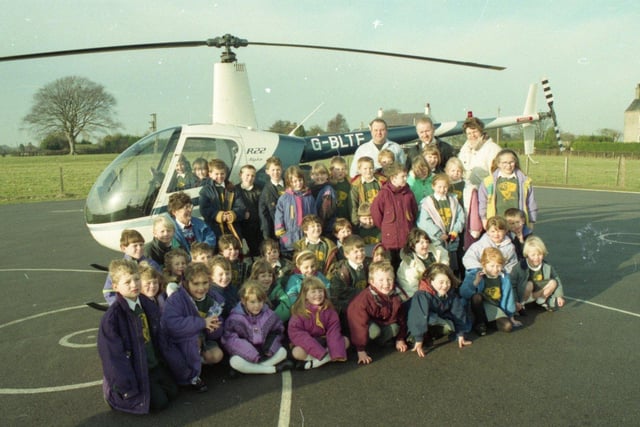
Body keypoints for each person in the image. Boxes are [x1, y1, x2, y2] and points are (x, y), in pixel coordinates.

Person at [97, 259, 178, 413]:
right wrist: (125, 387)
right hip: (134, 369)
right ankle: (113, 394)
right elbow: (113, 356)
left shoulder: (147, 304)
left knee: (174, 392)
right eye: (127, 282)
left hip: (151, 364)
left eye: (136, 279)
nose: (134, 285)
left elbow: (159, 338)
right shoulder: (112, 319)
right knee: (159, 403)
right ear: (115, 287)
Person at [161, 262, 224, 393]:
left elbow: (215, 333)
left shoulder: (214, 299)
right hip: (178, 340)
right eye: (196, 284)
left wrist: (214, 328)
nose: (201, 288)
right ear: (186, 283)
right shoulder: (176, 299)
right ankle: (190, 376)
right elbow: (171, 324)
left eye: (205, 283)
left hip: (201, 337)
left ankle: (196, 363)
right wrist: (201, 323)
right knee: (194, 340)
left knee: (217, 355)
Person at [222, 281, 294, 374]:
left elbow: (278, 331)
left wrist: (270, 348)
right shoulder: (235, 318)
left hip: (265, 351)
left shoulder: (269, 314)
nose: (257, 306)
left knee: (282, 351)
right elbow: (230, 339)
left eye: (260, 301)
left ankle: (254, 369)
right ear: (244, 301)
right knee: (234, 361)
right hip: (246, 354)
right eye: (252, 302)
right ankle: (271, 369)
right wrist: (251, 354)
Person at [347, 261, 408, 364]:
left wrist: (400, 338)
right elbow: (358, 325)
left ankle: (378, 343)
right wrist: (360, 350)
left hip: (383, 320)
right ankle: (362, 345)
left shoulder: (397, 293)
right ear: (372, 282)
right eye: (381, 280)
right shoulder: (363, 300)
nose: (386, 283)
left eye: (389, 279)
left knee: (395, 328)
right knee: (374, 331)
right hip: (362, 324)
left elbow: (402, 316)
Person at [407, 263, 472, 357]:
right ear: (431, 281)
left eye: (448, 282)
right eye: (441, 282)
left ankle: (430, 334)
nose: (445, 286)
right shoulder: (422, 294)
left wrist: (460, 334)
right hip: (417, 317)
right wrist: (418, 339)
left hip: (438, 315)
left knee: (454, 324)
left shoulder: (450, 293)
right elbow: (418, 316)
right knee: (429, 319)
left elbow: (458, 312)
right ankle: (414, 336)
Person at [288, 276, 349, 370]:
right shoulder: (299, 312)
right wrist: (318, 351)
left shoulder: (329, 309)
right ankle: (324, 358)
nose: (318, 294)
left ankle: (316, 361)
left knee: (345, 341)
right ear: (305, 295)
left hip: (325, 340)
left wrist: (336, 351)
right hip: (308, 343)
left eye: (320, 291)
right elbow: (298, 335)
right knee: (297, 352)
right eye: (313, 292)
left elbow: (333, 331)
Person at [459, 247, 522, 336]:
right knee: (477, 297)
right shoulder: (475, 274)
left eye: (498, 265)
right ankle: (479, 323)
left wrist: (511, 316)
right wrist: (476, 282)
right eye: (492, 266)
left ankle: (487, 322)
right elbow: (463, 293)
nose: (495, 269)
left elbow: (508, 297)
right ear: (484, 265)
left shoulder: (504, 277)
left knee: (508, 326)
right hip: (481, 306)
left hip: (495, 307)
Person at [370, 162, 418, 270]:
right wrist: (386, 227)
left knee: (406, 267)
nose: (405, 179)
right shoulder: (384, 194)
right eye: (403, 176)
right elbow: (376, 213)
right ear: (393, 178)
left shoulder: (408, 193)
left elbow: (414, 211)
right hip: (390, 240)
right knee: (391, 266)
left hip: (406, 239)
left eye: (406, 176)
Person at [416, 173, 466, 275]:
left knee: (452, 266)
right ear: (433, 186)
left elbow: (460, 217)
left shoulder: (453, 200)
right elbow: (424, 222)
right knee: (439, 265)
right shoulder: (427, 203)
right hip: (436, 240)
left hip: (451, 238)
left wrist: (455, 231)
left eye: (445, 187)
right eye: (439, 187)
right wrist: (438, 233)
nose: (442, 190)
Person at [478, 148, 538, 230]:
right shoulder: (488, 182)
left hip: (517, 225)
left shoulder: (525, 181)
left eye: (511, 162)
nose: (508, 166)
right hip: (497, 224)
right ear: (498, 164)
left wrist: (531, 221)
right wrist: (484, 219)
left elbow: (531, 202)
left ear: (515, 162)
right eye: (504, 163)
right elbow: (483, 202)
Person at [103, 229, 162, 305]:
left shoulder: (151, 264)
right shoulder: (119, 268)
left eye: (141, 245)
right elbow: (108, 291)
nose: (139, 248)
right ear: (124, 248)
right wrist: (120, 306)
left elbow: (161, 283)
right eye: (135, 246)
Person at [510, 236, 565, 313]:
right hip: (524, 294)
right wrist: (515, 301)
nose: (536, 258)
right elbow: (512, 284)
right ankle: (522, 305)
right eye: (533, 255)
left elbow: (557, 278)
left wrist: (559, 296)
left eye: (539, 254)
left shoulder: (546, 266)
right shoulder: (519, 267)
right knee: (529, 284)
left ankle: (541, 300)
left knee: (554, 282)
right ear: (527, 254)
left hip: (537, 292)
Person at [328, 234, 370, 329]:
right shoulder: (341, 272)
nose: (360, 254)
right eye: (355, 252)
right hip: (347, 312)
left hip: (364, 306)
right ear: (346, 254)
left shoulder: (367, 266)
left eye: (362, 250)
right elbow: (337, 297)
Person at [199, 158, 246, 242]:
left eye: (222, 174)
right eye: (216, 174)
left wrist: (232, 214)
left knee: (234, 250)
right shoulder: (205, 191)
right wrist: (218, 215)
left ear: (226, 174)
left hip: (233, 228)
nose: (220, 176)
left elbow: (241, 207)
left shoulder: (233, 189)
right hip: (214, 228)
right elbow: (204, 210)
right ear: (210, 174)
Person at [274, 165, 317, 255]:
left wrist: (314, 227)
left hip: (306, 234)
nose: (298, 183)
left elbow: (314, 215)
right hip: (289, 234)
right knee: (290, 256)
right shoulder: (284, 198)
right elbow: (279, 214)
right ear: (289, 182)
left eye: (300, 180)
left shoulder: (309, 197)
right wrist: (279, 228)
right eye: (294, 181)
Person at [397, 228, 448, 300]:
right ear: (413, 245)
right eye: (422, 243)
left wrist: (443, 267)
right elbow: (411, 288)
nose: (425, 245)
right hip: (421, 295)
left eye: (427, 242)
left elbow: (444, 255)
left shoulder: (434, 251)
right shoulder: (409, 265)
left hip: (438, 290)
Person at [167, 191, 217, 257]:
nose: (190, 210)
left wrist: (202, 251)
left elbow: (210, 238)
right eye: (186, 208)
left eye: (190, 206)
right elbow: (176, 253)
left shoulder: (200, 224)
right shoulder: (171, 232)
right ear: (174, 212)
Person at [457, 116, 501, 182]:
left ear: (481, 131)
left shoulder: (492, 149)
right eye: (469, 133)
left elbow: (496, 175)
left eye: (475, 132)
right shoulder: (463, 151)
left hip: (485, 189)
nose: (472, 135)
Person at [249, 259, 292, 324]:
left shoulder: (276, 289)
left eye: (270, 275)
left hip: (273, 322)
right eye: (263, 276)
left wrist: (271, 320)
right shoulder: (250, 291)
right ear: (256, 277)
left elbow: (286, 306)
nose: (267, 279)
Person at [349, 156, 386, 227]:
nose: (368, 171)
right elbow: (353, 204)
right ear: (359, 170)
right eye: (365, 169)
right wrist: (356, 221)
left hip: (380, 217)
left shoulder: (381, 181)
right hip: (364, 219)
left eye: (371, 168)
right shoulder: (356, 185)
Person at [237, 164, 263, 258]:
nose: (250, 178)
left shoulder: (259, 190)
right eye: (247, 175)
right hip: (241, 227)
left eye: (252, 176)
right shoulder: (235, 190)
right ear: (240, 175)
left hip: (257, 228)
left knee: (257, 252)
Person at [258, 156, 285, 241]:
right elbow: (263, 214)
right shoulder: (265, 192)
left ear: (282, 169)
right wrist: (266, 235)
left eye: (278, 169)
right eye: (273, 170)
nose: (276, 172)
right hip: (276, 230)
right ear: (267, 172)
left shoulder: (290, 186)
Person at [309, 162, 337, 236]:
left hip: (326, 225)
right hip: (313, 226)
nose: (320, 177)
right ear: (312, 176)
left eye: (322, 174)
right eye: (317, 174)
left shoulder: (328, 189)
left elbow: (327, 211)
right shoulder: (309, 190)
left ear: (327, 175)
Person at [330, 156, 352, 221]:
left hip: (348, 215)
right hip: (335, 218)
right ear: (331, 170)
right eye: (337, 169)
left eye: (343, 169)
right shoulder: (330, 184)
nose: (340, 171)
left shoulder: (349, 183)